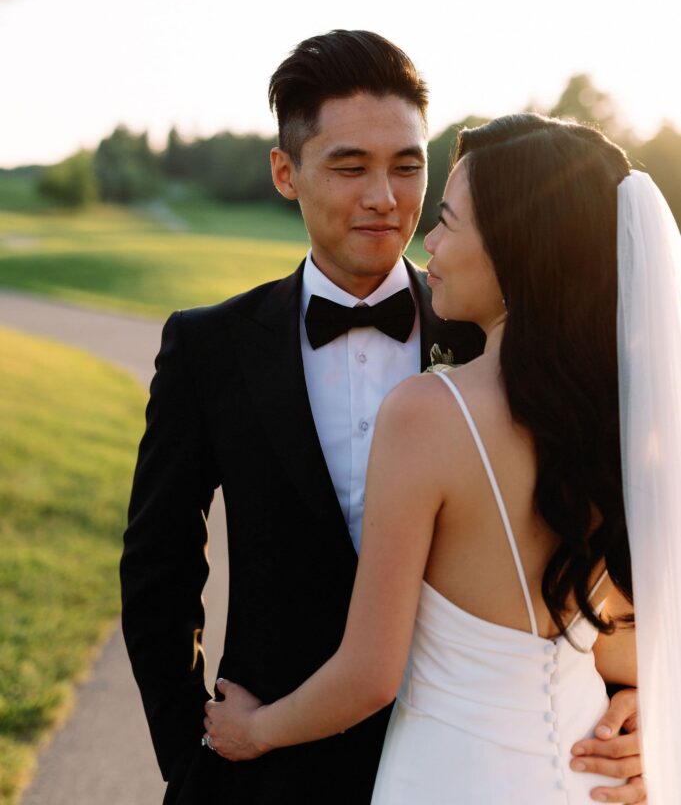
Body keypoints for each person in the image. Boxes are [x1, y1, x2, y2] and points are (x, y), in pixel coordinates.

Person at [120, 39, 642, 804]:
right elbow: (159, 568)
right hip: (267, 772)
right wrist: (189, 754)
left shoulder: (513, 336)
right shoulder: (209, 347)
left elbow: (602, 562)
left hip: (468, 763)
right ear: (283, 171)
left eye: (407, 166)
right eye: (349, 166)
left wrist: (640, 715)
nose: (387, 199)